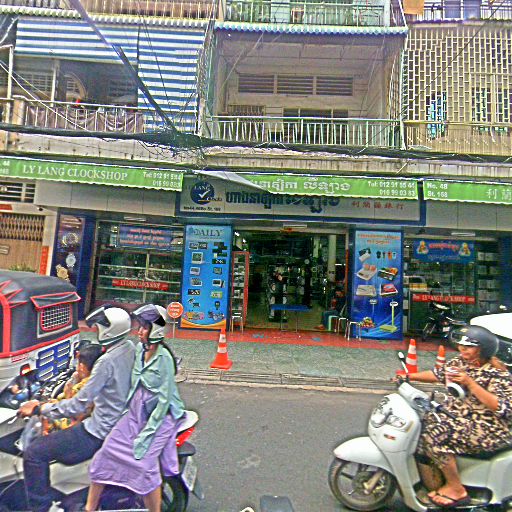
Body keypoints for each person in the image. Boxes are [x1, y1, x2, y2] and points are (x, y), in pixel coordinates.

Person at [18, 306, 136, 512]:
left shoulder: (106, 362)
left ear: (109, 330)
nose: (97, 331)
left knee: (34, 453)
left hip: (97, 431)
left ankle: (40, 507)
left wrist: (40, 409)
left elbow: (78, 404)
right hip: (119, 422)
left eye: (99, 327)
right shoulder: (129, 348)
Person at [85, 304, 185, 512]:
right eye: (139, 326)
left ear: (155, 330)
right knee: (105, 453)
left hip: (161, 417)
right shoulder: (139, 350)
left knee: (144, 465)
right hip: (136, 411)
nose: (139, 331)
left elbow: (164, 401)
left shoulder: (164, 359)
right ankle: (89, 508)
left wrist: (146, 434)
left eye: (144, 327)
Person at [406, 325, 512, 508]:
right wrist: (408, 377)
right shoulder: (461, 362)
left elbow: (503, 408)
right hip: (462, 419)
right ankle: (435, 483)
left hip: (490, 428)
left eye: (469, 346)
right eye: (462, 345)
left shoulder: (498, 375)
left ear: (483, 349)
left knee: (437, 433)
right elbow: (438, 374)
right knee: (423, 428)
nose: (463, 349)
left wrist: (471, 383)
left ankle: (456, 489)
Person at [19, 343, 103, 451]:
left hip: (77, 427)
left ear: (82, 366)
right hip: (89, 423)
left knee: (42, 418)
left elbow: (72, 411)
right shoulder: (98, 380)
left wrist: (42, 410)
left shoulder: (83, 387)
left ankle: (36, 446)